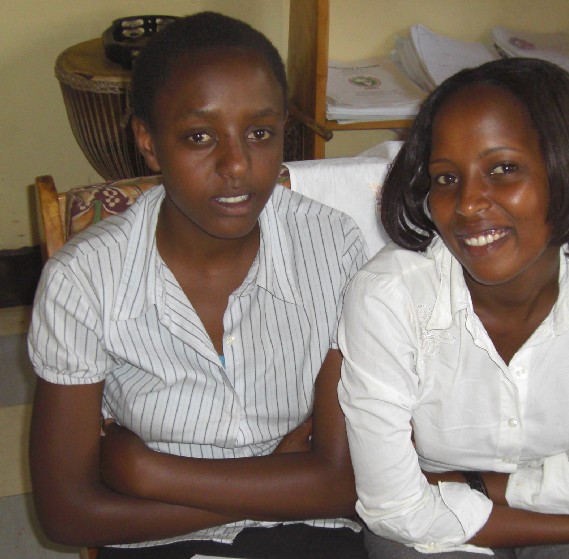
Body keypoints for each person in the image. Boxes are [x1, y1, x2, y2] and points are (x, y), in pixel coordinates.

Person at [28, 12, 368, 559]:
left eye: (260, 133)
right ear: (149, 142)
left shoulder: (333, 246)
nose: (236, 164)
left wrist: (149, 472)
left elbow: (349, 483)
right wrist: (276, 478)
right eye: (199, 137)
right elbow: (67, 514)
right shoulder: (83, 280)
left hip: (304, 528)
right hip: (152, 534)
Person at [337, 57, 569, 559]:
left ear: (565, 170)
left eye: (503, 169)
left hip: (469, 500)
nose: (468, 204)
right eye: (445, 178)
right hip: (431, 535)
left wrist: (465, 482)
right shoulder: (388, 296)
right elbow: (397, 510)